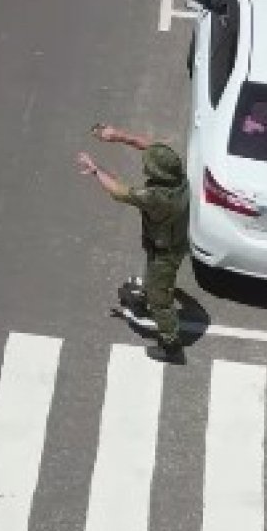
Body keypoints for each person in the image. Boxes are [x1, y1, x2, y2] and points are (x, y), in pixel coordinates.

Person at [76, 124, 189, 363]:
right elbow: (149, 146)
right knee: (153, 280)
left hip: (166, 251)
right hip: (167, 240)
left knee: (161, 300)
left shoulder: (158, 198)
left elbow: (119, 191)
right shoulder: (177, 173)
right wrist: (118, 136)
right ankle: (148, 296)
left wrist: (96, 170)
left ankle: (171, 346)